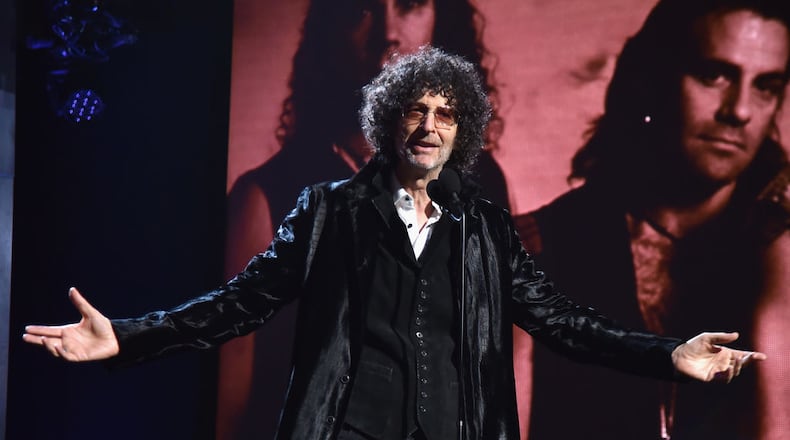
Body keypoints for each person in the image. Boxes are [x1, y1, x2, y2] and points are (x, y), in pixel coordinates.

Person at [25, 46, 765, 440]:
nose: (429, 125)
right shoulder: (326, 212)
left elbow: (565, 324)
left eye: (446, 113)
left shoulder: (483, 227)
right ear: (390, 122)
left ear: (462, 130)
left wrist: (666, 354)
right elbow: (235, 307)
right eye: (415, 110)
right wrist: (124, 338)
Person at [222, 2, 511, 438]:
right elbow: (229, 406)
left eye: (409, 5)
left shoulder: (482, 186)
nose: (387, 33)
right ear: (331, 26)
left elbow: (500, 361)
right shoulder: (267, 198)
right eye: (361, 8)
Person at [512, 0, 790, 438]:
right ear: (653, 77)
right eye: (714, 75)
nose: (739, 110)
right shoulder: (539, 250)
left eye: (766, 86)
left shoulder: (778, 252)